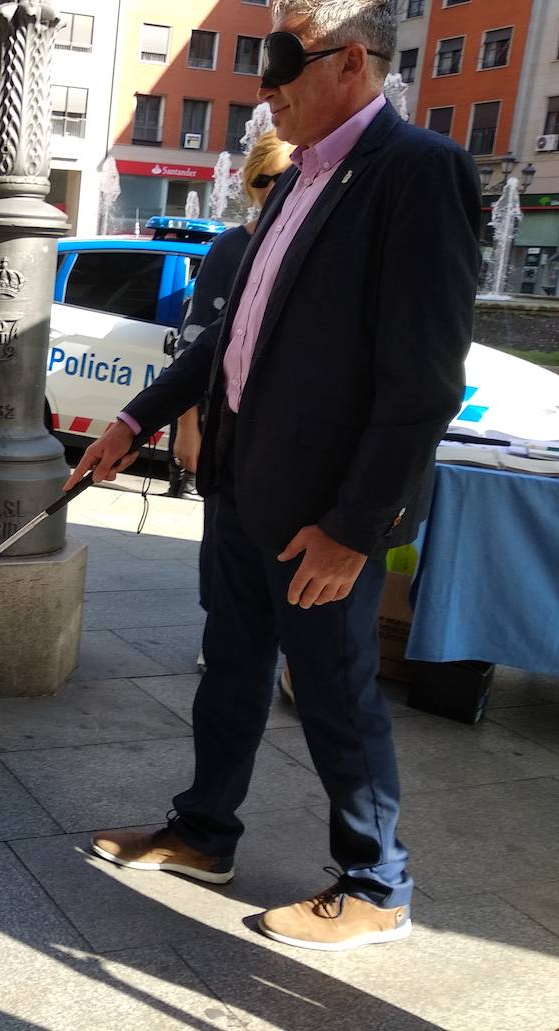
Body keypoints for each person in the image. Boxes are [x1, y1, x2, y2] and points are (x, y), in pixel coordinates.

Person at [66, 0, 480, 952]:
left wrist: (355, 527)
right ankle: (205, 831)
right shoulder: (294, 184)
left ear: (354, 63)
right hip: (244, 492)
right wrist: (136, 417)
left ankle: (378, 884)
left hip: (323, 517)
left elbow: (422, 383)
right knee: (233, 669)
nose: (267, 85)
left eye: (287, 60)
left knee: (335, 691)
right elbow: (230, 342)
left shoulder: (419, 174)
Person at [175, 130, 295, 668]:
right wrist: (186, 426)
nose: (279, 190)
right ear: (252, 185)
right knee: (223, 538)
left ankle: (291, 648)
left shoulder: (316, 245)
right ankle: (218, 633)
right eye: (268, 180)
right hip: (227, 428)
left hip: (292, 434)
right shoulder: (232, 247)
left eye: (290, 178)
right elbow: (196, 342)